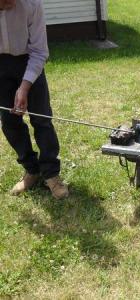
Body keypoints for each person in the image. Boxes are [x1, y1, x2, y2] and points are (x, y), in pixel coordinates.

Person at [0, 0, 68, 199]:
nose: (7, 4)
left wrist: (24, 87)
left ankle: (51, 175)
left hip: (29, 59)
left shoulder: (32, 3)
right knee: (10, 122)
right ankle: (32, 170)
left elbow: (39, 51)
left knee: (42, 120)